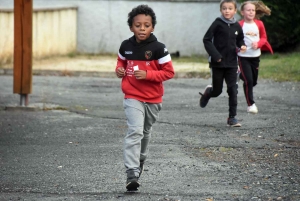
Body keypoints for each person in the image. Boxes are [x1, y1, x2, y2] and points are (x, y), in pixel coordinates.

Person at [115, 4, 175, 191]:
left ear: (152, 27)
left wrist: (148, 75)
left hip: (153, 98)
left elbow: (169, 72)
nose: (142, 28)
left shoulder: (159, 48)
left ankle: (140, 159)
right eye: (138, 25)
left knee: (145, 132)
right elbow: (121, 62)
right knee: (135, 131)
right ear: (131, 27)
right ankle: (131, 172)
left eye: (146, 25)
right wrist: (119, 70)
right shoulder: (126, 46)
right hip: (132, 95)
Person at [200, 0, 247, 127]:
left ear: (235, 11)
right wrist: (215, 55)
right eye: (224, 8)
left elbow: (240, 39)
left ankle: (232, 118)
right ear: (221, 10)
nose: (227, 10)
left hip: (232, 63)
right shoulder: (217, 23)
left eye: (230, 8)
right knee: (217, 91)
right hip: (217, 64)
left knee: (233, 89)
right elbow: (207, 39)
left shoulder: (237, 26)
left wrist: (242, 45)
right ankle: (209, 92)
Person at [238, 1, 273, 114]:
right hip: (243, 57)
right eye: (248, 10)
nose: (251, 12)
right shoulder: (239, 24)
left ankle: (239, 74)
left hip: (255, 57)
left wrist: (258, 44)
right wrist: (239, 46)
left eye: (253, 10)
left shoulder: (259, 24)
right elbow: (235, 40)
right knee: (248, 81)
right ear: (242, 12)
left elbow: (264, 38)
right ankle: (251, 104)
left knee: (253, 82)